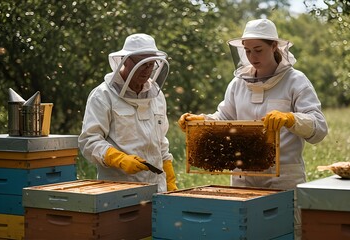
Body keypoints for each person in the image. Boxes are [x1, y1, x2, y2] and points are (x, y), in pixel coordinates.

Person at [178, 19, 328, 238]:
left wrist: (291, 119)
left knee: (284, 233)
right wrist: (202, 121)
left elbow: (319, 127)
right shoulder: (238, 83)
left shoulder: (296, 81)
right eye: (247, 51)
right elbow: (225, 118)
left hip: (283, 178)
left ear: (274, 46)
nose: (252, 57)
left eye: (258, 50)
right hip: (242, 177)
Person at [79, 33, 177, 193]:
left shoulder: (157, 96)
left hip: (158, 188)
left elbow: (160, 141)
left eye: (151, 64)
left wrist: (169, 173)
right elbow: (89, 141)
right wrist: (118, 159)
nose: (147, 69)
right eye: (143, 63)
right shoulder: (103, 95)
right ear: (126, 60)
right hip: (119, 190)